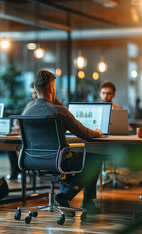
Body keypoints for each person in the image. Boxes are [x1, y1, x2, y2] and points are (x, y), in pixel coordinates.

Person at [23, 70, 103, 215]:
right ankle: (69, 195)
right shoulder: (59, 111)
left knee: (73, 158)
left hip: (33, 161)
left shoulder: (26, 113)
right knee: (95, 157)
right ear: (51, 89)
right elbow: (85, 134)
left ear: (35, 89)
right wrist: (97, 132)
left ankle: (69, 197)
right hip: (60, 161)